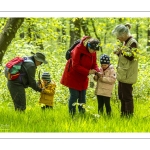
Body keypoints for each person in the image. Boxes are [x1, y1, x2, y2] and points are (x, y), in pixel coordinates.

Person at [60, 36, 100, 116]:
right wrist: (88, 71)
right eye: (93, 50)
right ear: (88, 46)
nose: (94, 52)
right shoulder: (78, 49)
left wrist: (97, 72)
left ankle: (82, 114)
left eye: (95, 50)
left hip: (83, 76)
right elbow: (75, 65)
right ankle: (72, 115)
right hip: (73, 75)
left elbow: (94, 64)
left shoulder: (93, 50)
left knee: (82, 96)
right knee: (74, 95)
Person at [112, 23, 138, 117]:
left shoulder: (133, 42)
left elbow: (131, 57)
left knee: (127, 97)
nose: (117, 38)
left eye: (118, 36)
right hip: (123, 74)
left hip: (128, 75)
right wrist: (118, 53)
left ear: (123, 34)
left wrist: (121, 51)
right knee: (121, 96)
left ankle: (129, 116)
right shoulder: (125, 42)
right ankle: (123, 115)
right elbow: (125, 56)